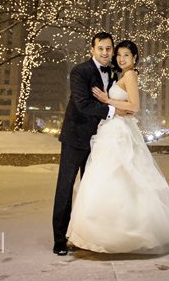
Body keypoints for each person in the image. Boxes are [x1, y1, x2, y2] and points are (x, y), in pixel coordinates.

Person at [66, 40, 169, 254]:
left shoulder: (130, 75)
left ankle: (119, 233)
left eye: (126, 55)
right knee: (108, 179)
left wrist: (106, 100)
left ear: (135, 58)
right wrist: (110, 103)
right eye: (118, 54)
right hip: (112, 129)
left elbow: (134, 107)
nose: (121, 58)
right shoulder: (119, 75)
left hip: (120, 132)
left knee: (119, 177)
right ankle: (101, 231)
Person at [52, 31, 127, 256]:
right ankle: (59, 240)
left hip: (100, 141)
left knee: (92, 191)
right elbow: (83, 104)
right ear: (92, 50)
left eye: (108, 49)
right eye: (101, 48)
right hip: (75, 138)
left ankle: (87, 236)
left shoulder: (115, 73)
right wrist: (113, 110)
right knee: (65, 189)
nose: (105, 53)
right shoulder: (80, 71)